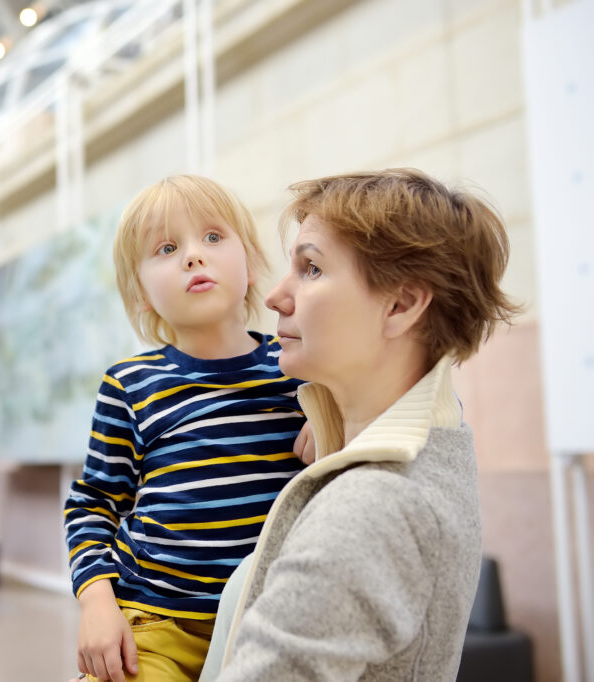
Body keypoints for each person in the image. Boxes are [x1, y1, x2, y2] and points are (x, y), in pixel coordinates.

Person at [201, 168, 521, 681]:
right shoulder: (438, 445)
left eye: (310, 269)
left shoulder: (371, 508)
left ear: (401, 304)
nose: (275, 297)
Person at [63, 175, 313, 682]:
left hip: (269, 621)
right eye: (167, 248)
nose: (194, 257)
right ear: (142, 294)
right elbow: (92, 504)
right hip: (156, 623)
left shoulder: (298, 369)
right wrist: (96, 604)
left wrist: (332, 426)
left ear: (252, 263)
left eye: (214, 238)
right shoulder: (130, 384)